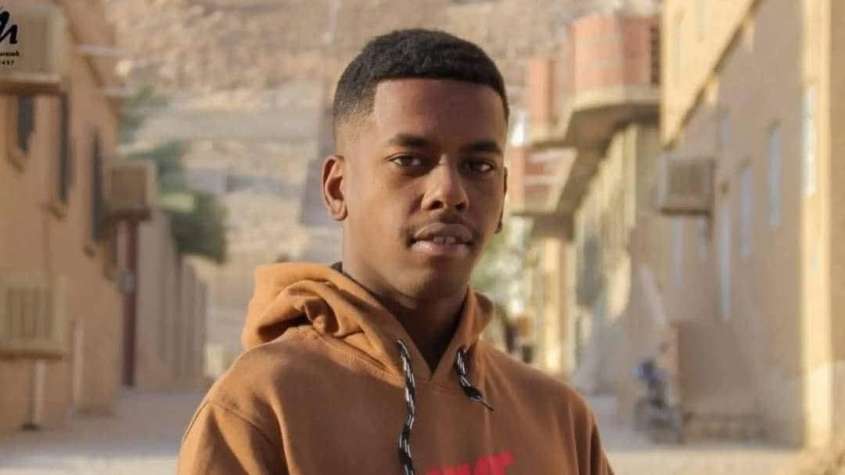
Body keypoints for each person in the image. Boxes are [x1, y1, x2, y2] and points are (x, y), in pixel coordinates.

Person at [178, 28, 615, 475]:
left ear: (503, 197)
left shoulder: (559, 420)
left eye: (478, 166)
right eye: (409, 161)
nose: (449, 192)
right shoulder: (260, 410)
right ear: (336, 188)